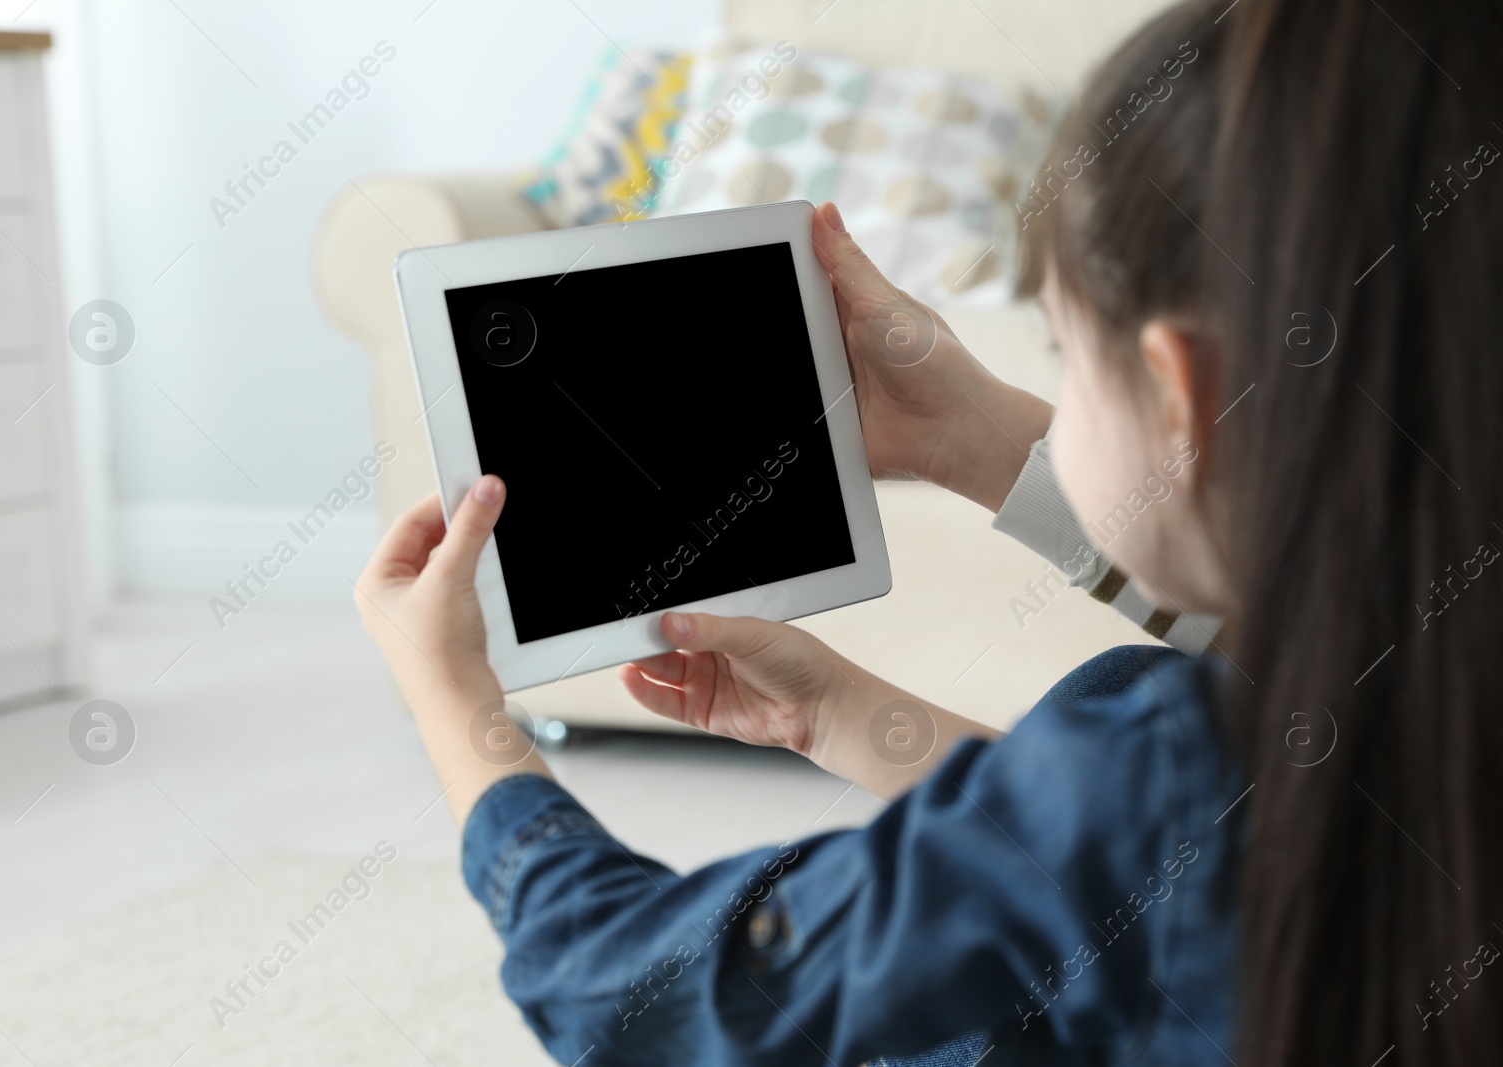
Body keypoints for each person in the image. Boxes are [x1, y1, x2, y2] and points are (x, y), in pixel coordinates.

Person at [354, 0, 1503, 1063]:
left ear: (1178, 392)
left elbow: (644, 997)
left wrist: (464, 717)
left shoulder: (1153, 761)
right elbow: (1110, 854)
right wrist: (844, 702)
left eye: (1061, 351)